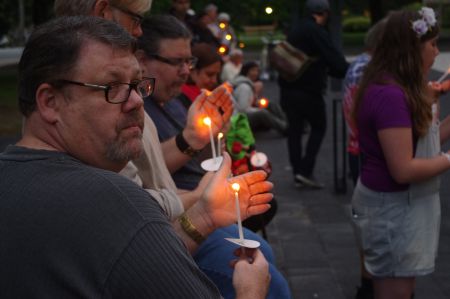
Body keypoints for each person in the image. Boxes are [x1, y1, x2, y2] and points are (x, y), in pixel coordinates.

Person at [0, 16, 273, 298]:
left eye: (137, 84)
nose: (136, 101)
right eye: (111, 87)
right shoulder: (115, 202)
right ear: (49, 102)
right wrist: (251, 292)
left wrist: (205, 214)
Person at [135, 17, 292, 299]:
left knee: (262, 252)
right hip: (177, 217)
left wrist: (214, 133)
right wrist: (201, 194)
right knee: (265, 273)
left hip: (199, 206)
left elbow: (198, 150)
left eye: (189, 61)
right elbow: (146, 175)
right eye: (176, 62)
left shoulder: (174, 100)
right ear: (142, 61)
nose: (185, 71)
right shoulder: (136, 110)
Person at [351, 7, 450, 299]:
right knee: (395, 292)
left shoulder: (392, 87)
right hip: (391, 213)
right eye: (432, 44)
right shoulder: (390, 96)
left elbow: (423, 141)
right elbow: (403, 168)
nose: (436, 51)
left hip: (393, 209)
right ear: (412, 48)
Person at [279, 0, 348, 189]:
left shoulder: (296, 29)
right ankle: (305, 170)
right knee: (319, 127)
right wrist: (344, 70)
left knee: (295, 131)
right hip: (309, 91)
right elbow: (335, 61)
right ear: (324, 13)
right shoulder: (316, 31)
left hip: (287, 89)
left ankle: (297, 172)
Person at [342, 18, 387, 299]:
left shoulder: (360, 65)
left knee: (367, 222)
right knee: (371, 224)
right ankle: (369, 285)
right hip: (366, 152)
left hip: (357, 149)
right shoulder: (368, 72)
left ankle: (368, 283)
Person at [232, 61, 287, 134]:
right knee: (262, 113)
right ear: (246, 71)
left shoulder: (248, 84)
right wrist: (257, 109)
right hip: (238, 119)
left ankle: (288, 122)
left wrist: (257, 103)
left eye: (257, 71)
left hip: (244, 113)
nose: (255, 73)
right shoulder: (244, 87)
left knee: (269, 104)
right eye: (253, 70)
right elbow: (242, 109)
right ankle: (286, 128)